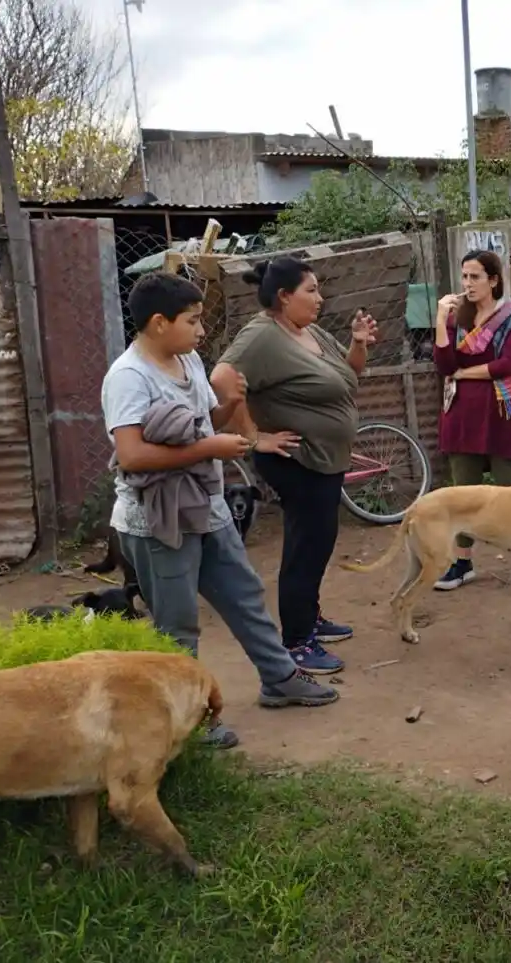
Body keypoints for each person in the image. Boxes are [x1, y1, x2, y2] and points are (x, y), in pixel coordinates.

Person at [101, 272, 339, 749]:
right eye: (192, 321)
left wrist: (229, 406)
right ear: (158, 323)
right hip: (158, 519)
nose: (201, 332)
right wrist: (210, 446)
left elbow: (201, 427)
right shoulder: (128, 377)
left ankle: (280, 678)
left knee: (244, 595)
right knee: (177, 622)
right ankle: (186, 719)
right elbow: (131, 455)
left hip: (205, 505)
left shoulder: (186, 360)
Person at [210, 257, 377, 677]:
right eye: (311, 291)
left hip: (323, 458)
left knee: (318, 541)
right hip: (295, 461)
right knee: (306, 547)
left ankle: (310, 617)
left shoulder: (309, 331)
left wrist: (358, 344)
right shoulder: (262, 336)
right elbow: (222, 379)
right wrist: (253, 436)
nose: (320, 298)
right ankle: (297, 642)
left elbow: (348, 378)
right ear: (284, 297)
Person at [432, 249, 511, 592]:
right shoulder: (458, 318)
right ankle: (462, 564)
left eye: (475, 277)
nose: (468, 284)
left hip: (503, 416)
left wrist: (464, 372)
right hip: (461, 417)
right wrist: (440, 321)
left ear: (493, 280)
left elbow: (507, 364)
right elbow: (445, 366)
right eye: (464, 276)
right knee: (463, 495)